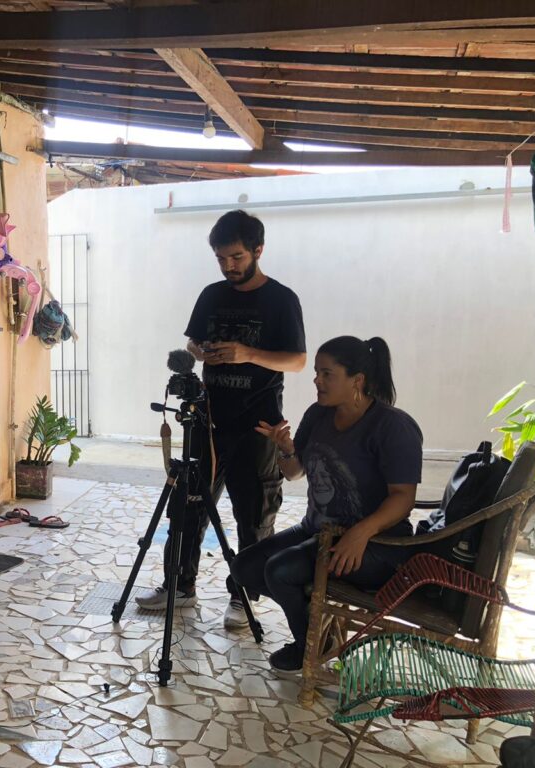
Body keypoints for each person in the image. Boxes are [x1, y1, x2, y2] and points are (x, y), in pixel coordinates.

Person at [136, 209, 306, 629]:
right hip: (206, 421)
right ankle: (179, 586)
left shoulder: (282, 299)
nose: (229, 267)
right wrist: (199, 351)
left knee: (254, 515)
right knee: (188, 506)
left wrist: (248, 353)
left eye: (236, 258)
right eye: (221, 259)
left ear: (258, 250)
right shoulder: (211, 294)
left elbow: (299, 361)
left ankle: (244, 595)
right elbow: (194, 341)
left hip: (258, 426)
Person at [230, 336, 423, 672]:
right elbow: (294, 472)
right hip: (318, 530)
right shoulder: (318, 414)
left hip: (378, 544)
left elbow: (403, 498)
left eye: (326, 374)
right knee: (245, 567)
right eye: (317, 373)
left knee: (280, 571)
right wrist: (285, 448)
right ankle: (319, 629)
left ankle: (309, 644)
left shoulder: (393, 427)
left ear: (357, 380)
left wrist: (361, 533)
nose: (316, 380)